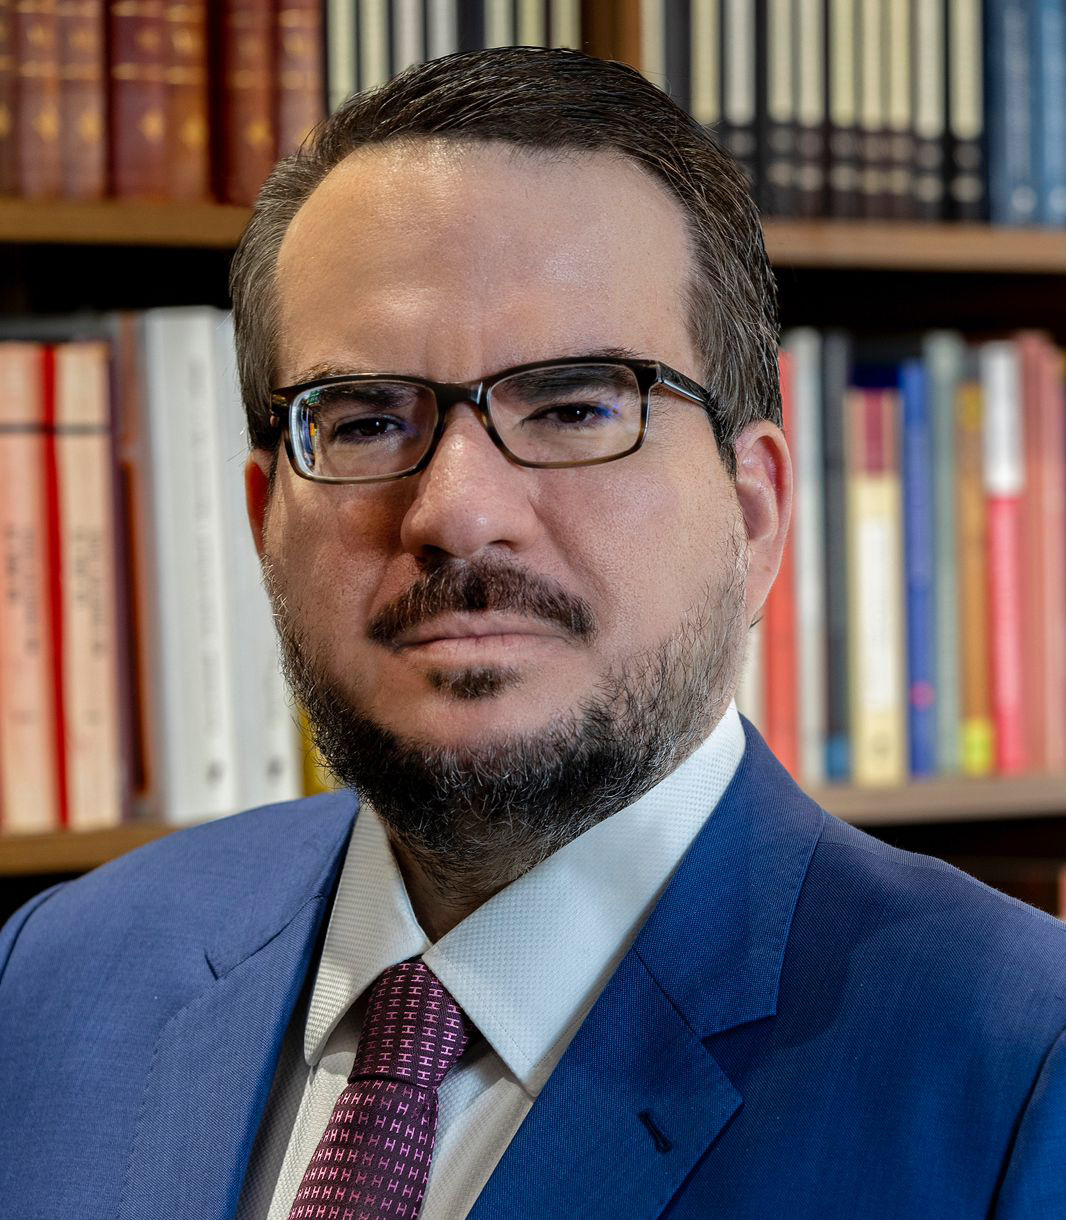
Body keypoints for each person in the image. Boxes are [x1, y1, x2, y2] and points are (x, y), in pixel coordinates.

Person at [1, 47, 1064, 1220]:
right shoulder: (55, 976)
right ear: (265, 522)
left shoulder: (1018, 1069)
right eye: (364, 421)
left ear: (753, 511)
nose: (457, 510)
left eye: (573, 406)